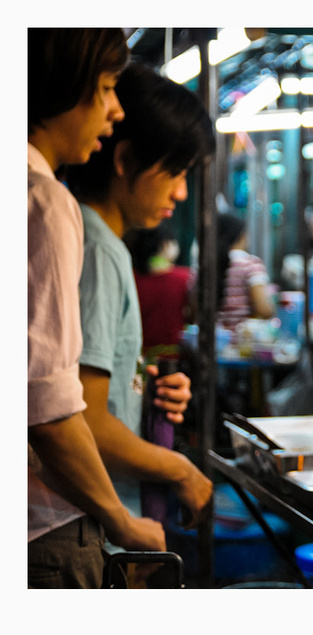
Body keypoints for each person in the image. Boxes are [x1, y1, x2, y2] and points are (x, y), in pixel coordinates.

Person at [28, 28, 165, 589]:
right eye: (107, 87)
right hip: (44, 527)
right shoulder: (42, 199)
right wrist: (120, 520)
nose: (114, 111)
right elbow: (49, 405)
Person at [64, 63, 215, 534]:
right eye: (174, 171)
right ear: (125, 160)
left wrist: (139, 392)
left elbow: (88, 391)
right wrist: (181, 469)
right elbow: (82, 418)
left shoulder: (96, 241)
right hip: (91, 517)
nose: (182, 191)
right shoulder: (98, 249)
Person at [125, 223, 192, 365]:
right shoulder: (183, 277)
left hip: (137, 358)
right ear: (165, 245)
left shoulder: (130, 278)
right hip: (174, 358)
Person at [215, 212, 276, 331]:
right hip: (242, 344)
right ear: (241, 236)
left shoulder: (205, 265)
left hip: (213, 342)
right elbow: (264, 310)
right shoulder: (250, 265)